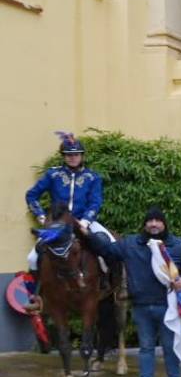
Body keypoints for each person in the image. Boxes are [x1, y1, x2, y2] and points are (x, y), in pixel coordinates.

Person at [80, 207, 181, 377]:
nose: (153, 224)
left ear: (164, 224)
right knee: (145, 349)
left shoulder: (177, 245)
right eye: (150, 221)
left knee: (170, 347)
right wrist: (87, 234)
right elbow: (105, 250)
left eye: (158, 221)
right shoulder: (130, 244)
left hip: (168, 305)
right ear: (145, 224)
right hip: (141, 306)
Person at [24, 131, 110, 306]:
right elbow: (31, 196)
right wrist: (41, 217)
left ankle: (111, 287)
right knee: (32, 258)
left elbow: (96, 201)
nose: (72, 158)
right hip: (57, 225)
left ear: (82, 156)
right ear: (63, 157)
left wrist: (86, 221)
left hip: (83, 221)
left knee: (107, 244)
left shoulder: (93, 177)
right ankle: (35, 295)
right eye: (68, 155)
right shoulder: (52, 175)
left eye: (76, 155)